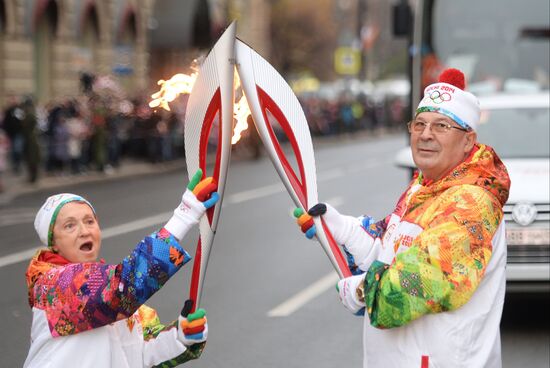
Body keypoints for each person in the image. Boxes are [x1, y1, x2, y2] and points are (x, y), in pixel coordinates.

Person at [295, 68, 510, 367]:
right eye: (419, 124)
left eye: (441, 126)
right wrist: (342, 228)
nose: (425, 134)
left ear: (467, 140)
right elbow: (390, 248)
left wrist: (360, 291)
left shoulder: (470, 203)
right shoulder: (423, 186)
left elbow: (418, 282)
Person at [24, 169, 220, 368]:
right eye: (69, 226)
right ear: (53, 243)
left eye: (89, 221)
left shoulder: (121, 305)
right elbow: (121, 288)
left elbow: (141, 357)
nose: (84, 231)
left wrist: (180, 337)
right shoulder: (52, 287)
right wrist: (184, 216)